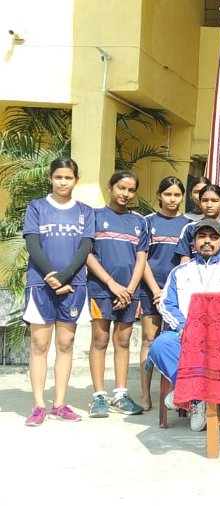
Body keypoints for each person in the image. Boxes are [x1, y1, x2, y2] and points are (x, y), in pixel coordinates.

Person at [148, 219, 220, 431]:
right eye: (202, 236)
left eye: (213, 237)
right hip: (184, 333)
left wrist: (214, 330)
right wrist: (183, 327)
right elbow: (167, 304)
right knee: (161, 345)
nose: (207, 241)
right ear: (194, 242)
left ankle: (187, 394)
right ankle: (196, 398)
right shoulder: (180, 271)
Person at [22, 157, 95, 426]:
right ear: (50, 178)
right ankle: (39, 406)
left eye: (68, 177)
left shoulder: (86, 212)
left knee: (65, 344)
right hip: (41, 284)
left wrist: (65, 277)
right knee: (39, 345)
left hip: (73, 285)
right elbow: (33, 244)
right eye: (58, 177)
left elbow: (85, 247)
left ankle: (60, 404)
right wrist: (52, 276)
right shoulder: (36, 207)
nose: (63, 182)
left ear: (76, 180)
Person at [84, 171, 149, 418]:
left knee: (123, 341)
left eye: (131, 190)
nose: (126, 194)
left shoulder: (139, 221)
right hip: (101, 290)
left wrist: (129, 290)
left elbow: (141, 258)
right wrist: (111, 284)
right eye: (121, 188)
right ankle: (99, 397)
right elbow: (88, 254)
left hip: (130, 292)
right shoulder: (94, 216)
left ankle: (120, 394)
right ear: (110, 187)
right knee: (100, 340)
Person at [138, 177, 192, 410]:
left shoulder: (188, 225)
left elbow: (186, 261)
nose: (172, 199)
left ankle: (173, 392)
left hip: (177, 294)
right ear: (159, 195)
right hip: (150, 289)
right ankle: (145, 394)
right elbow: (142, 259)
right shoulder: (147, 222)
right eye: (168, 194)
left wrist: (170, 292)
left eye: (177, 195)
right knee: (149, 340)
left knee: (174, 340)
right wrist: (155, 290)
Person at [175, 184, 220, 262]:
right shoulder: (190, 228)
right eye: (205, 200)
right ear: (200, 203)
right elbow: (185, 260)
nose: (209, 205)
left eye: (214, 201)